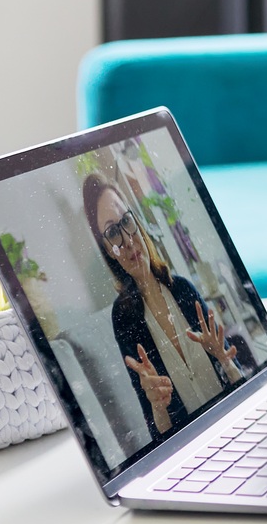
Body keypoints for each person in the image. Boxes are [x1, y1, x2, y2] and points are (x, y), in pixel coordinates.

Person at [83, 173, 244, 438]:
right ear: (106, 249)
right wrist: (158, 407)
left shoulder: (182, 289)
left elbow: (239, 380)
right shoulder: (123, 318)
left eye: (126, 220)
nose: (127, 240)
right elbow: (158, 433)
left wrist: (225, 361)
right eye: (112, 232)